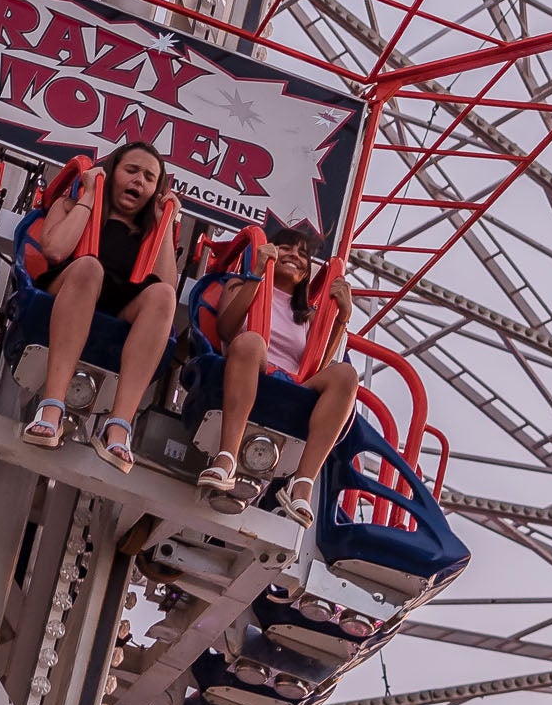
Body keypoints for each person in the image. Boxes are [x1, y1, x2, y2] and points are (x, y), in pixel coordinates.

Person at [18, 140, 180, 472]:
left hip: (120, 304)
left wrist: (165, 225)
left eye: (149, 178)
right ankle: (52, 408)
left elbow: (166, 286)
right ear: (112, 172)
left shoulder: (150, 231)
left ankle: (119, 426)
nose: (139, 181)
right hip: (70, 285)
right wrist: (91, 196)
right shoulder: (71, 204)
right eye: (131, 170)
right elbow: (56, 251)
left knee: (163, 297)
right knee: (90, 267)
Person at [198, 228, 358, 524]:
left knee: (346, 375)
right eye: (285, 248)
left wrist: (342, 318)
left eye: (303, 254)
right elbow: (226, 328)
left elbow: (318, 365)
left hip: (293, 383)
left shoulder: (305, 314)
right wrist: (257, 273)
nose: (294, 256)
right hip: (250, 367)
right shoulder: (238, 284)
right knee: (251, 340)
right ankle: (227, 457)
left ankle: (302, 485)